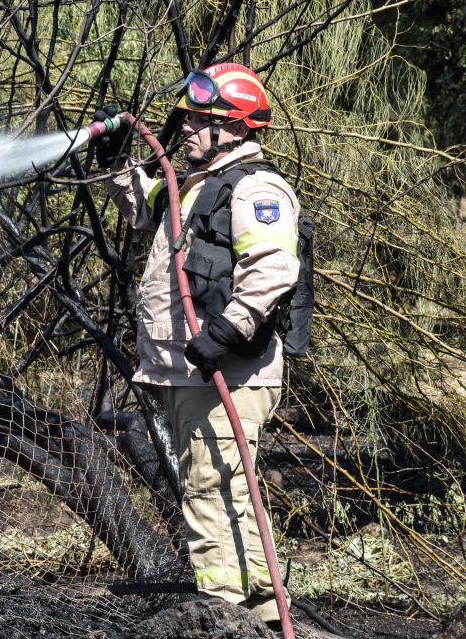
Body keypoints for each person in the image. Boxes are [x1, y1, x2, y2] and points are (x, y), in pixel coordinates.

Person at [94, 63, 299, 628]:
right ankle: (257, 608)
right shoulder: (192, 184)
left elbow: (274, 268)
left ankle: (222, 614)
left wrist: (226, 332)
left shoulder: (255, 187)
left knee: (211, 488)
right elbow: (142, 203)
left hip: (226, 372)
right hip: (192, 372)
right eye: (185, 118)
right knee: (228, 489)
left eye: (200, 120)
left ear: (234, 127)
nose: (185, 129)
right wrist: (113, 160)